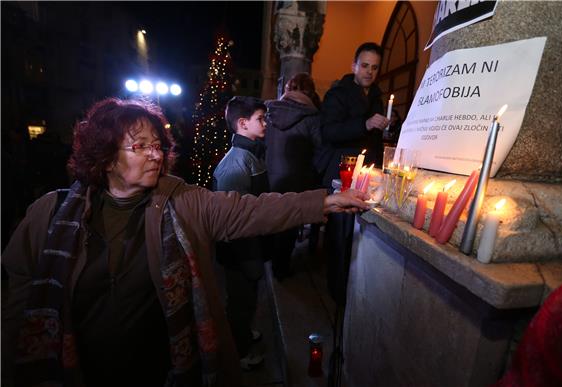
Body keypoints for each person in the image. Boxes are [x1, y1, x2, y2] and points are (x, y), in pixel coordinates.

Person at [1, 98, 369, 387]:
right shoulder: (51, 214)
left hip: (158, 372)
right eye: (140, 146)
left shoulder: (182, 203)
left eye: (158, 145)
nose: (156, 154)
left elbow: (249, 210)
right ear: (107, 157)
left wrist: (322, 201)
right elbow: (20, 297)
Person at [212, 96, 269, 370]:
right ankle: (238, 352)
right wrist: (245, 254)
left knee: (248, 294)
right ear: (243, 124)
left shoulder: (250, 154)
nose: (265, 123)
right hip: (239, 248)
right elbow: (231, 219)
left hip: (250, 243)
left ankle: (243, 333)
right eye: (261, 118)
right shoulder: (236, 164)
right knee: (239, 299)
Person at [265, 72, 324, 279]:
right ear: (310, 92)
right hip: (298, 178)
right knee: (289, 225)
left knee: (273, 220)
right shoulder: (313, 117)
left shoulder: (270, 111)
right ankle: (281, 269)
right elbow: (320, 150)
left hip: (271, 175)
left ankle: (272, 262)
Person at [320, 41, 389, 188]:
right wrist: (365, 124)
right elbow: (328, 132)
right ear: (354, 67)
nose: (370, 72)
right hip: (341, 169)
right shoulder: (337, 94)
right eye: (365, 66)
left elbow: (375, 141)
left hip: (369, 171)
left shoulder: (376, 98)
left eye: (374, 67)